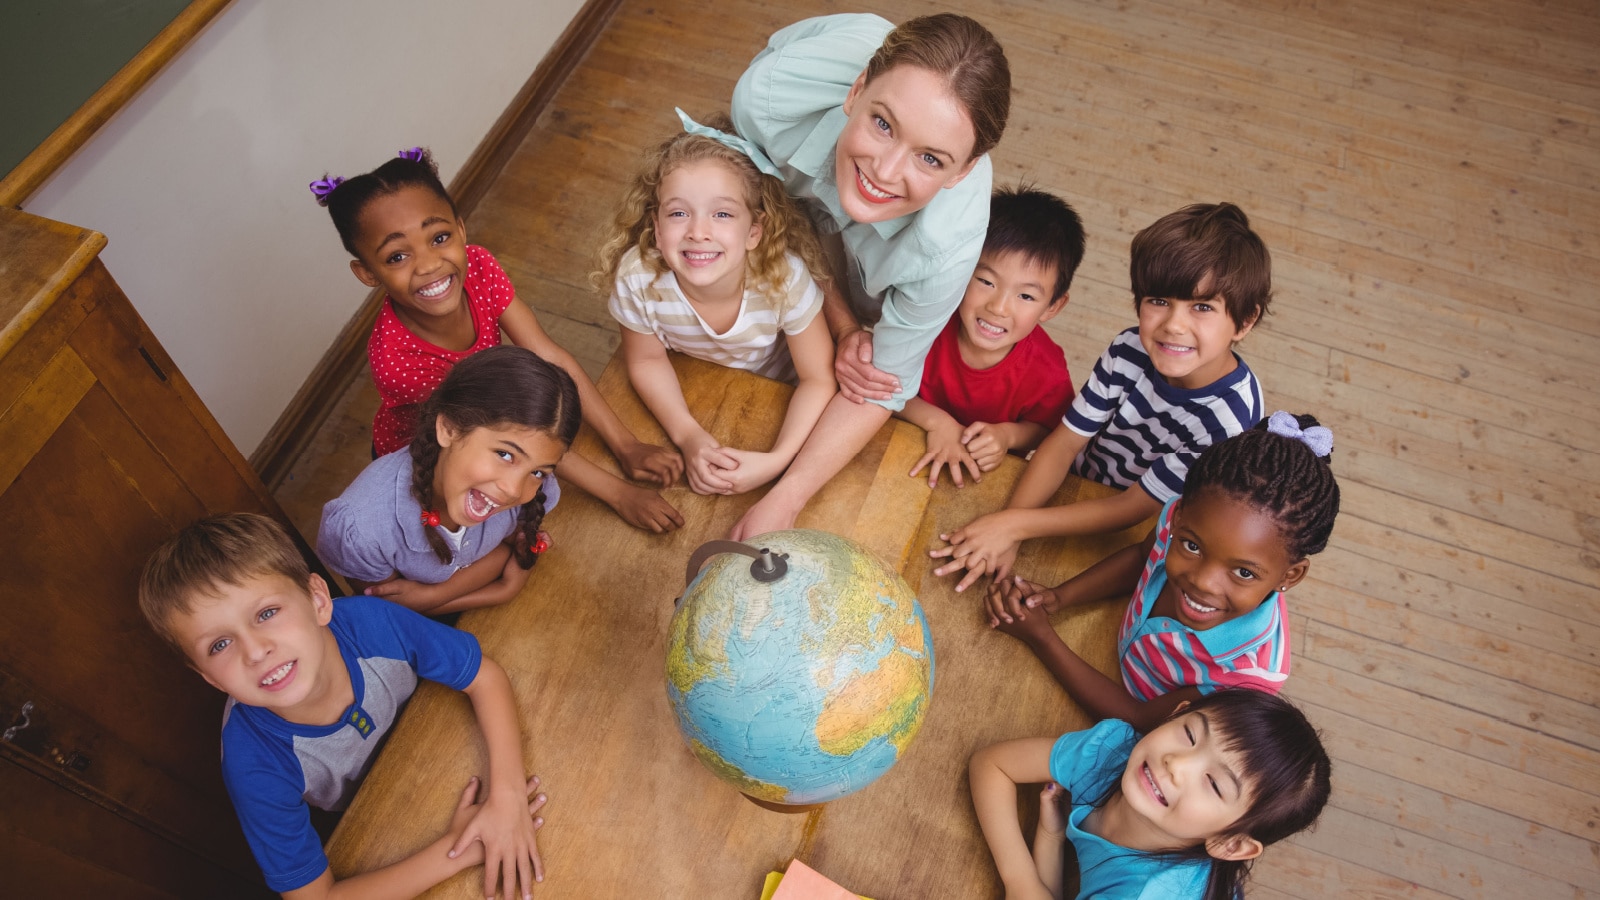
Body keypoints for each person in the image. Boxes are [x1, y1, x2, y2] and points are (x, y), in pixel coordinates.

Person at [138, 513, 548, 899]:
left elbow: (484, 677)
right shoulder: (252, 763)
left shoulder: (373, 623)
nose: (256, 651)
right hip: (384, 822)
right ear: (208, 677)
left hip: (444, 746)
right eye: (220, 645)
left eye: (266, 613)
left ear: (318, 599)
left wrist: (507, 799)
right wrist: (460, 848)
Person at [724, 12, 1012, 538]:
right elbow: (774, 214)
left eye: (929, 158)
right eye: (883, 124)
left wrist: (786, 501)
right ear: (857, 90)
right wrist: (838, 323)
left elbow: (881, 384)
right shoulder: (768, 103)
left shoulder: (947, 248)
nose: (884, 170)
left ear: (963, 172)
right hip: (780, 198)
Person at [314, 147, 685, 533]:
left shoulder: (478, 267)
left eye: (439, 237)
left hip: (495, 426)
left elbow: (548, 354)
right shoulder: (400, 362)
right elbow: (511, 432)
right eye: (396, 257)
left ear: (460, 229)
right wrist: (619, 493)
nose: (428, 265)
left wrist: (626, 445)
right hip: (438, 455)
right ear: (367, 273)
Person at [932, 203, 1272, 591]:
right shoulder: (1130, 348)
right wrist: (1012, 526)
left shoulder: (1229, 422)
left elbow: (1129, 509)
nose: (1173, 326)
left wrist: (1012, 526)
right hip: (1072, 488)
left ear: (1244, 322)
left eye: (1202, 307)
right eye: (1158, 301)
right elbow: (1063, 444)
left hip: (1136, 536)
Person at [987, 414, 1341, 733]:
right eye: (1192, 547)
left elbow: (1141, 719)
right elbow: (1143, 558)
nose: (1202, 581)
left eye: (1244, 573)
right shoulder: (1179, 520)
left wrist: (1042, 638)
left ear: (1289, 577)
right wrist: (1059, 597)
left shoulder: (1246, 678)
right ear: (1181, 515)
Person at [596, 110, 836, 495]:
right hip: (696, 391)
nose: (698, 232)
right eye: (678, 213)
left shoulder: (783, 276)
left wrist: (778, 459)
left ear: (754, 231)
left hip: (783, 399)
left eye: (722, 213)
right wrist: (688, 436)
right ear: (656, 228)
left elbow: (818, 378)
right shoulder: (638, 276)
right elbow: (645, 359)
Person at [969, 689, 1331, 900]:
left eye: (1215, 784)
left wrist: (1044, 849)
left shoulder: (1144, 893)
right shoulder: (1111, 754)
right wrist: (1024, 873)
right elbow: (991, 764)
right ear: (1176, 714)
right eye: (1190, 734)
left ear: (1230, 845)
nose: (1176, 763)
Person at [317, 347, 578, 616]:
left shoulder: (524, 490)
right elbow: (394, 613)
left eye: (537, 472)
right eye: (505, 454)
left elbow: (506, 543)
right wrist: (502, 581)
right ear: (449, 429)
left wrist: (437, 595)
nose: (513, 489)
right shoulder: (363, 531)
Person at [896, 186, 1084, 488]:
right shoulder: (928, 319)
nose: (998, 307)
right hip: (900, 450)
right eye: (985, 281)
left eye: (1025, 295)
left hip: (983, 480)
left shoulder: (1047, 370)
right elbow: (880, 382)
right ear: (961, 269)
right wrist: (938, 422)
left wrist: (1008, 436)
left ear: (1052, 306)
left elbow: (1049, 430)